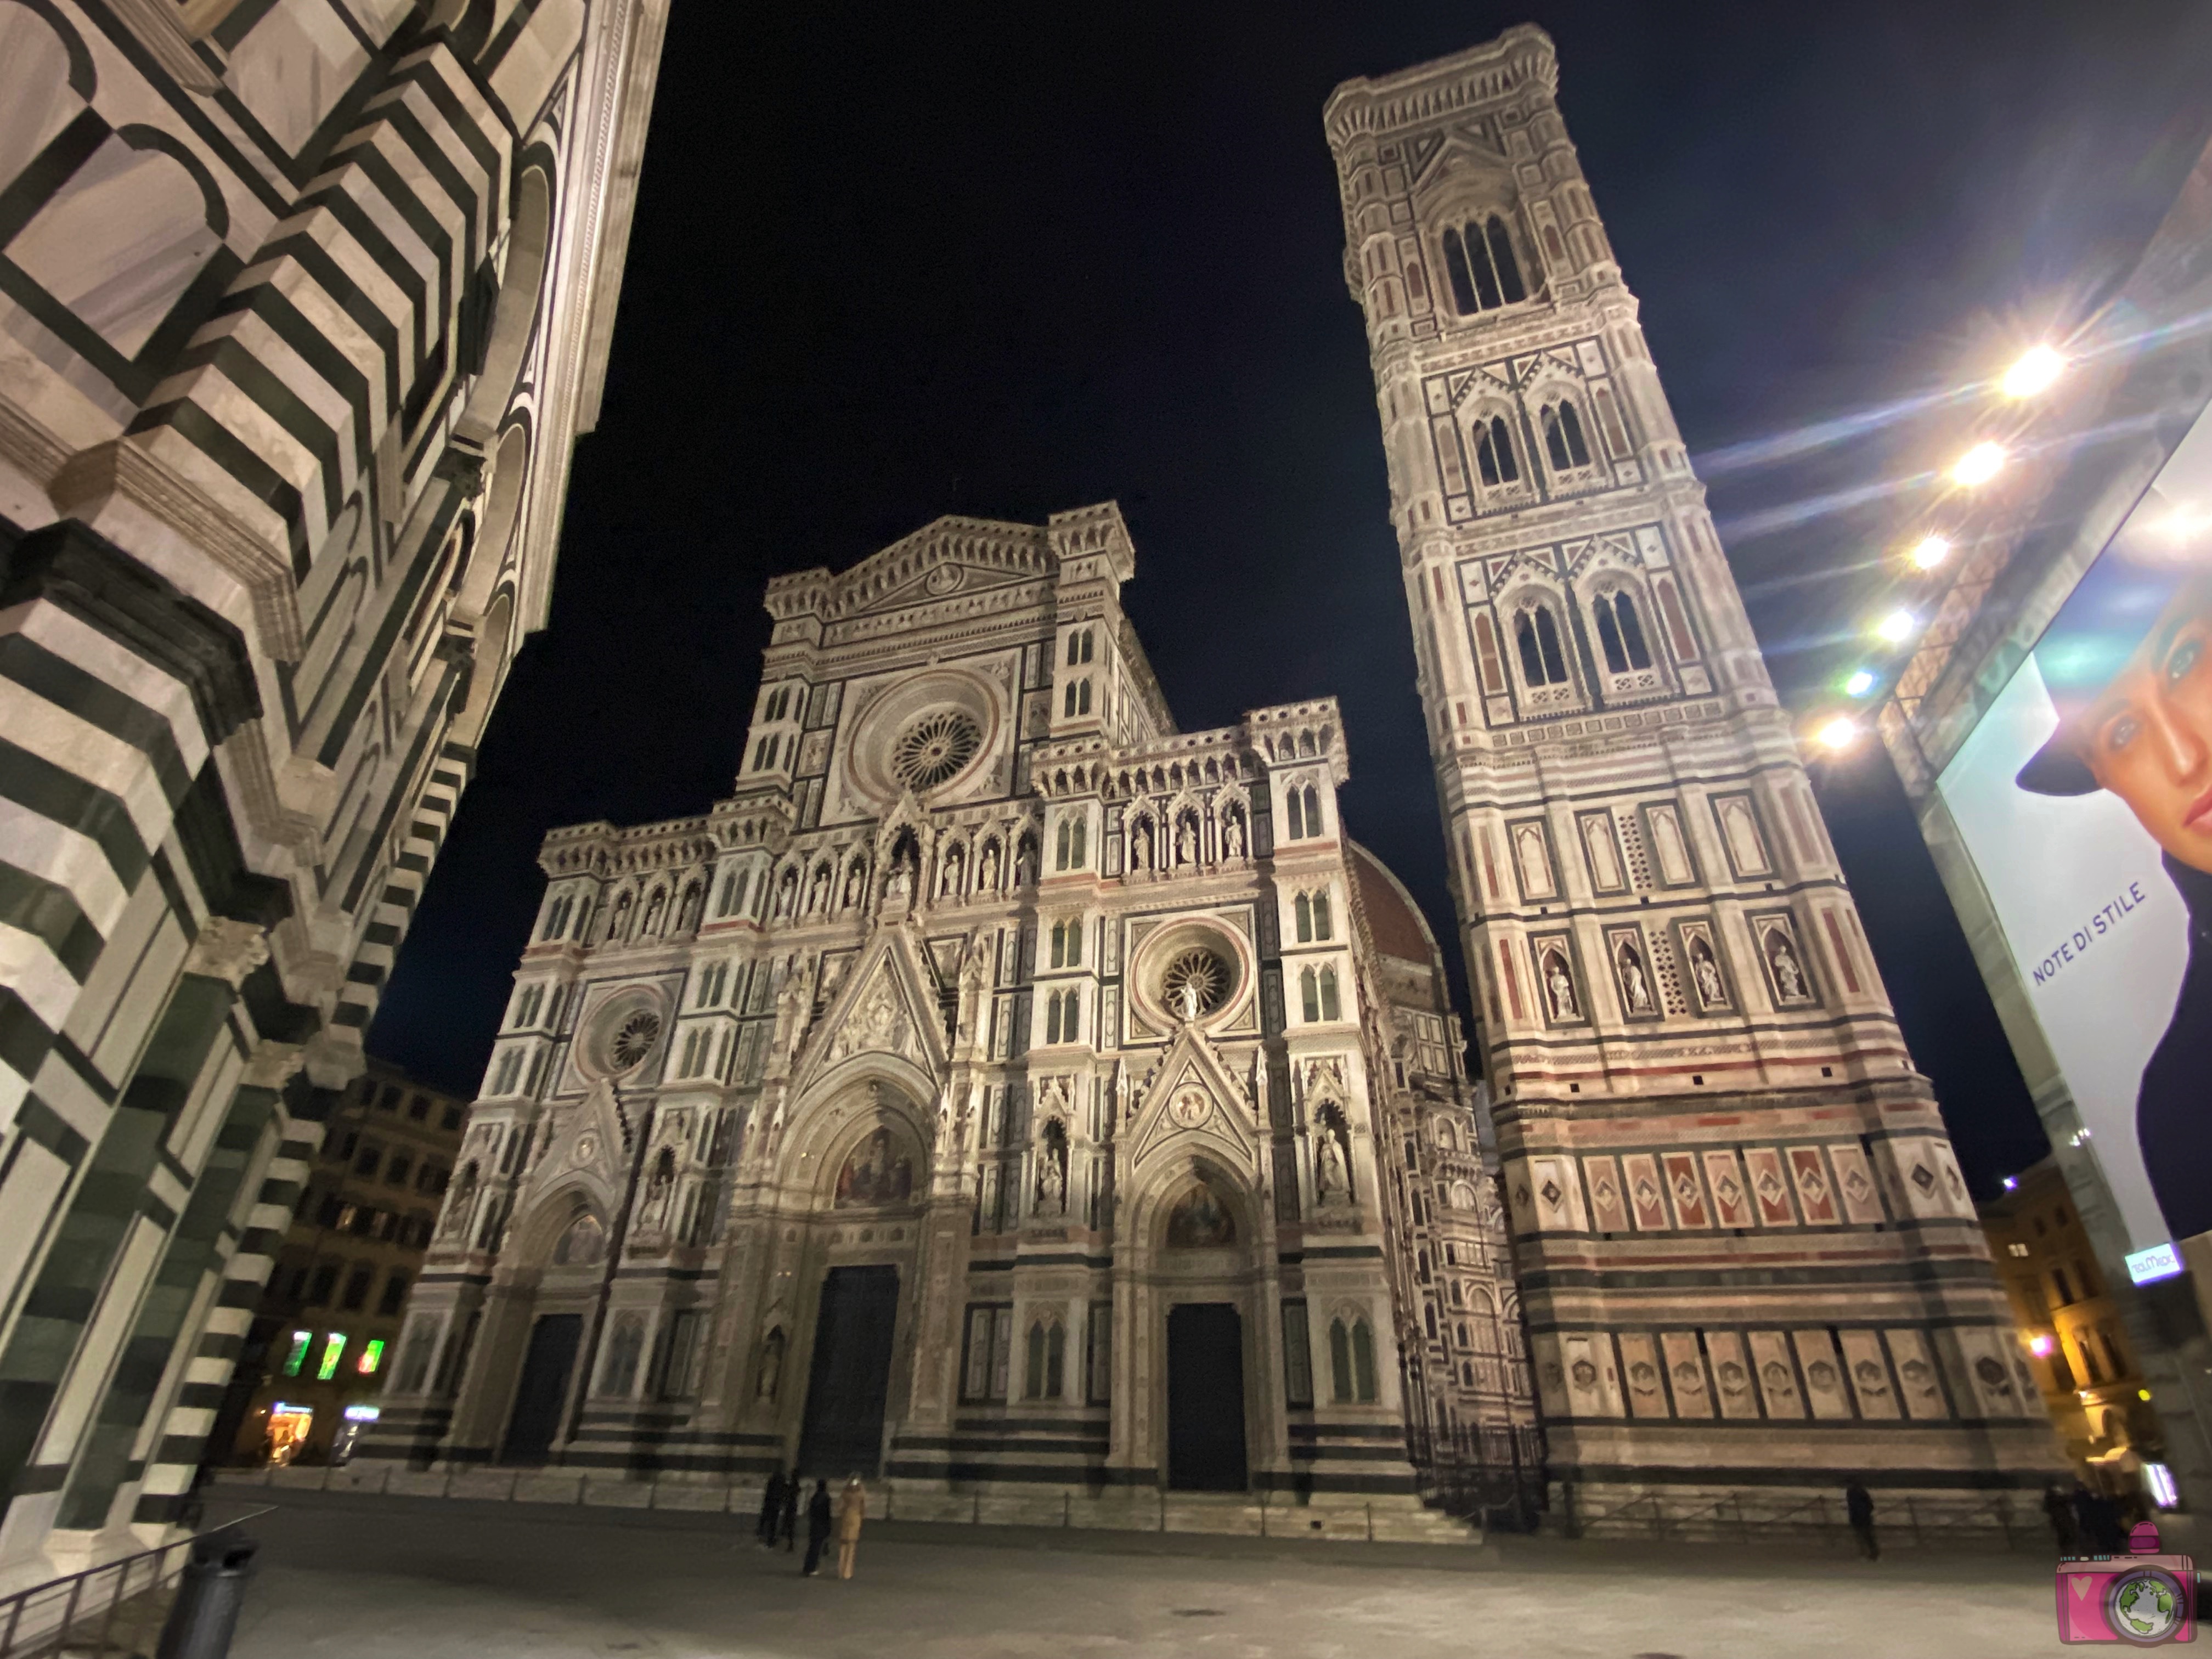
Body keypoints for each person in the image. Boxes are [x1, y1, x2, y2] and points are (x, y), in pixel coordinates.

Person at [2016, 557, 2212, 1243]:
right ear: (2107, 778)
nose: (2185, 756)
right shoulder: (2188, 1096)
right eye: (2124, 733)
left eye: (2186, 660)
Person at [837, 1475, 867, 1579]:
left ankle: (841, 1571)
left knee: (843, 1545)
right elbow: (863, 1508)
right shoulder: (861, 1493)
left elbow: (840, 1507)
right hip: (856, 1518)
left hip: (846, 1517)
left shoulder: (845, 1493)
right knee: (852, 1546)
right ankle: (847, 1572)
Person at [802, 1478, 832, 1576]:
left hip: (814, 1525)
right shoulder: (826, 1498)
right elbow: (827, 1514)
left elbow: (811, 1512)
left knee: (812, 1548)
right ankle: (812, 1568)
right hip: (822, 1526)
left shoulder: (815, 1497)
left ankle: (808, 1567)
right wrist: (828, 1528)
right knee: (817, 1549)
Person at [1844, 1478, 1877, 1560]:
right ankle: (1873, 1553)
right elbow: (1870, 1505)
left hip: (1858, 1517)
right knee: (1869, 1536)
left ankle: (1865, 1554)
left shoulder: (1851, 1493)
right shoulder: (1862, 1492)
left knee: (1861, 1536)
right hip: (1865, 1517)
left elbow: (1852, 1507)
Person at [2044, 1481, 2080, 1555]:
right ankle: (2067, 1553)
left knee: (2064, 1538)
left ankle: (2066, 1552)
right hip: (2062, 1521)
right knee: (2066, 1537)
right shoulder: (2055, 1499)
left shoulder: (2052, 1499)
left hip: (2060, 1521)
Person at [757, 1469, 786, 1548]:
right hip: (775, 1505)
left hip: (770, 1504)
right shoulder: (780, 1485)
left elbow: (768, 1495)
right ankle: (770, 1539)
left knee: (767, 1521)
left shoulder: (772, 1483)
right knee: (773, 1523)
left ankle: (765, 1536)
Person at [780, 1468, 801, 1552]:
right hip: (792, 1506)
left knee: (789, 1525)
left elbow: (789, 1494)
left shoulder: (793, 1485)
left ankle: (790, 1544)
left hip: (790, 1507)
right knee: (790, 1525)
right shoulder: (795, 1485)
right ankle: (789, 1543)